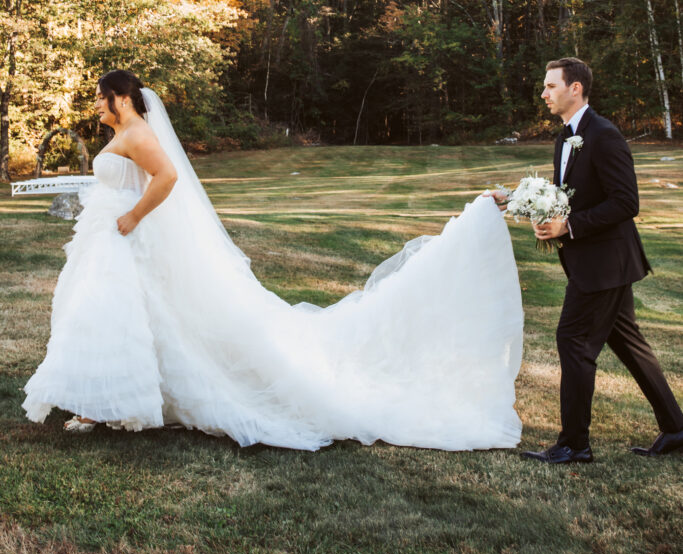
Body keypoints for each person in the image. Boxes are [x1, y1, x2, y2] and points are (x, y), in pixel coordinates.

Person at [24, 70, 524, 451]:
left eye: (100, 95)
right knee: (111, 313)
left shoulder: (138, 133)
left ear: (123, 98)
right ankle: (100, 397)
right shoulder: (122, 135)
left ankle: (103, 404)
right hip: (107, 238)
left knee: (120, 312)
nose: (95, 103)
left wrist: (133, 216)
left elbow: (168, 178)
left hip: (126, 234)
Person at [512, 57, 682, 463]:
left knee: (573, 341)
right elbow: (565, 193)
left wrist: (568, 228)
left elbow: (626, 202)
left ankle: (574, 444)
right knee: (628, 343)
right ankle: (677, 428)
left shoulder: (603, 135)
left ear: (576, 89)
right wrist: (514, 199)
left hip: (606, 263)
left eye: (551, 86)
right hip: (596, 263)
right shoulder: (565, 137)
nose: (544, 93)